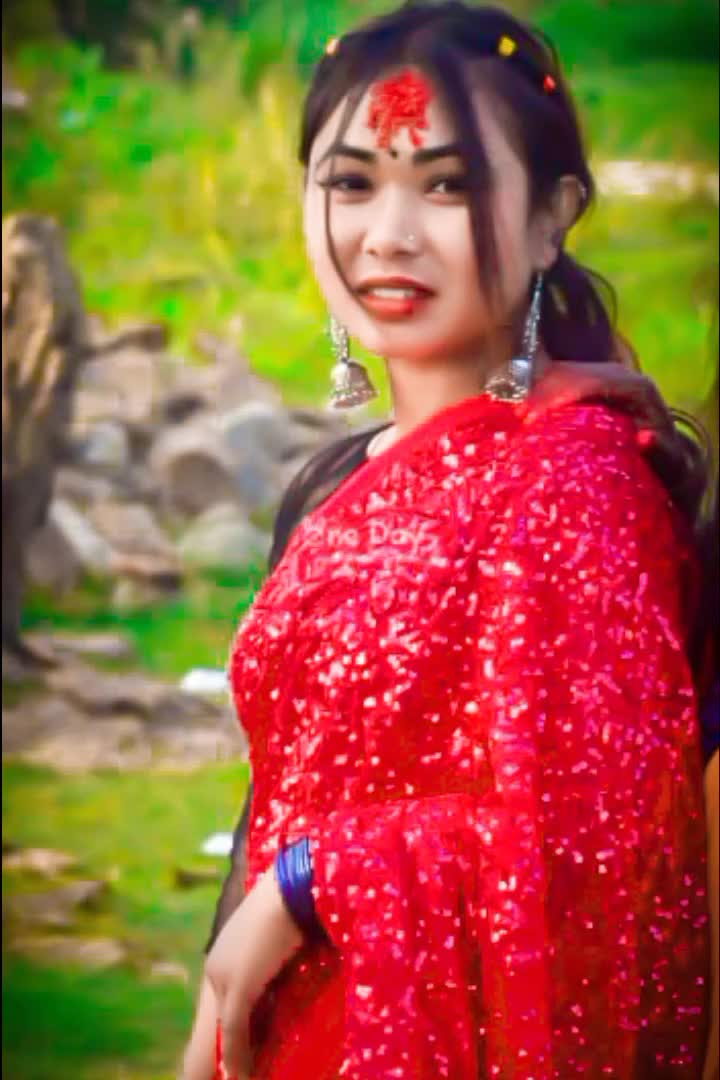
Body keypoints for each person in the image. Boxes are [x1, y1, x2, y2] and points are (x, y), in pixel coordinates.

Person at [181, 4, 714, 1077]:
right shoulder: (336, 479)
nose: (388, 235)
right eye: (351, 182)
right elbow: (279, 799)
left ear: (553, 216)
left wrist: (315, 882)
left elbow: (597, 861)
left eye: (448, 185)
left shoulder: (575, 488)